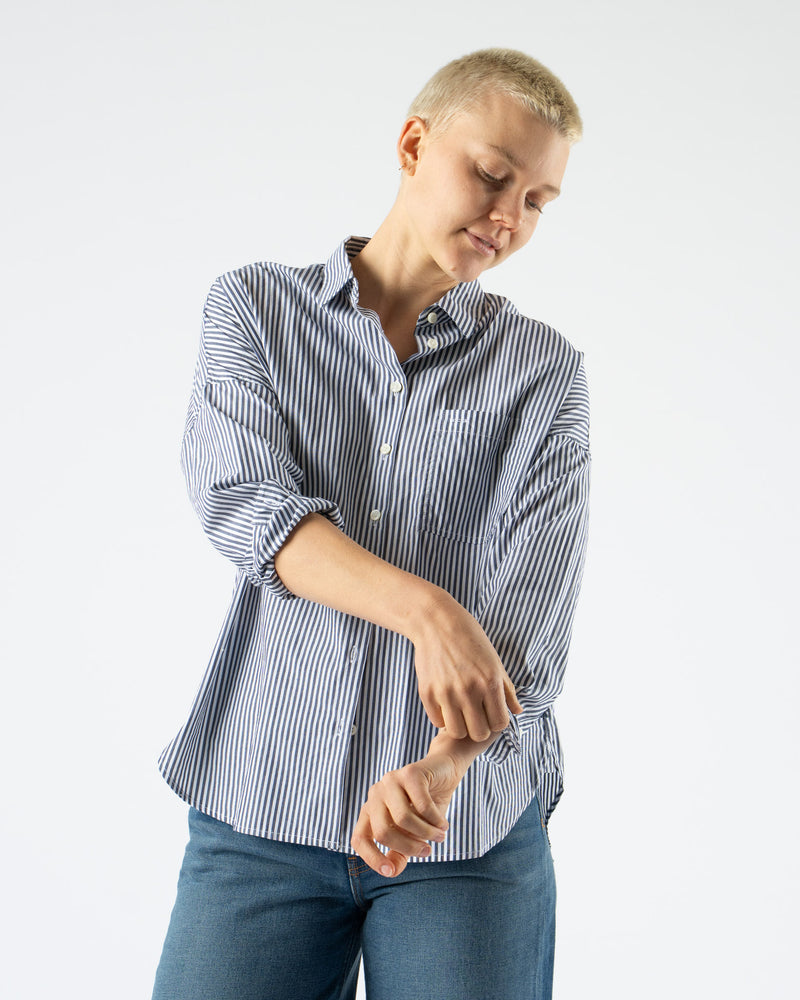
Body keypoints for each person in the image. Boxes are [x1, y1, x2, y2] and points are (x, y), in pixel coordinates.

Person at [151, 47, 589, 1000]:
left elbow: (527, 637)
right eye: (492, 174)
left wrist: (438, 771)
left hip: (465, 826)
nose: (509, 216)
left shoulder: (545, 378)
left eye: (539, 201)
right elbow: (247, 507)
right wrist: (431, 613)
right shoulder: (256, 311)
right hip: (262, 805)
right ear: (413, 142)